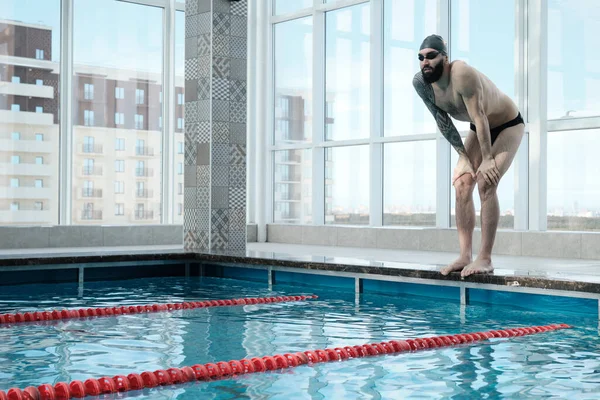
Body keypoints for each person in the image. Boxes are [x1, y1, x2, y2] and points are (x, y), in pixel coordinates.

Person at [412, 34, 524, 277]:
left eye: (431, 56)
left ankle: (485, 258)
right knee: (462, 183)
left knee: (486, 181)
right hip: (478, 127)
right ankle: (464, 255)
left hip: (507, 124)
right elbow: (443, 122)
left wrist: (487, 158)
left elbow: (481, 116)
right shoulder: (422, 83)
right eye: (421, 58)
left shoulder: (461, 74)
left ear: (445, 57)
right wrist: (463, 155)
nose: (425, 62)